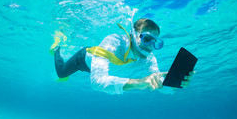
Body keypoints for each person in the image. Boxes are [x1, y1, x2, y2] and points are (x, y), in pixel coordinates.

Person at [51, 18, 193, 95]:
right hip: (83, 59)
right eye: (147, 39)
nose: (150, 46)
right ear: (133, 35)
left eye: (156, 43)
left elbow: (156, 80)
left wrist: (173, 83)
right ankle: (57, 48)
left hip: (102, 67)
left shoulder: (149, 58)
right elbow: (97, 82)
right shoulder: (114, 42)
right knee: (61, 73)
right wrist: (139, 83)